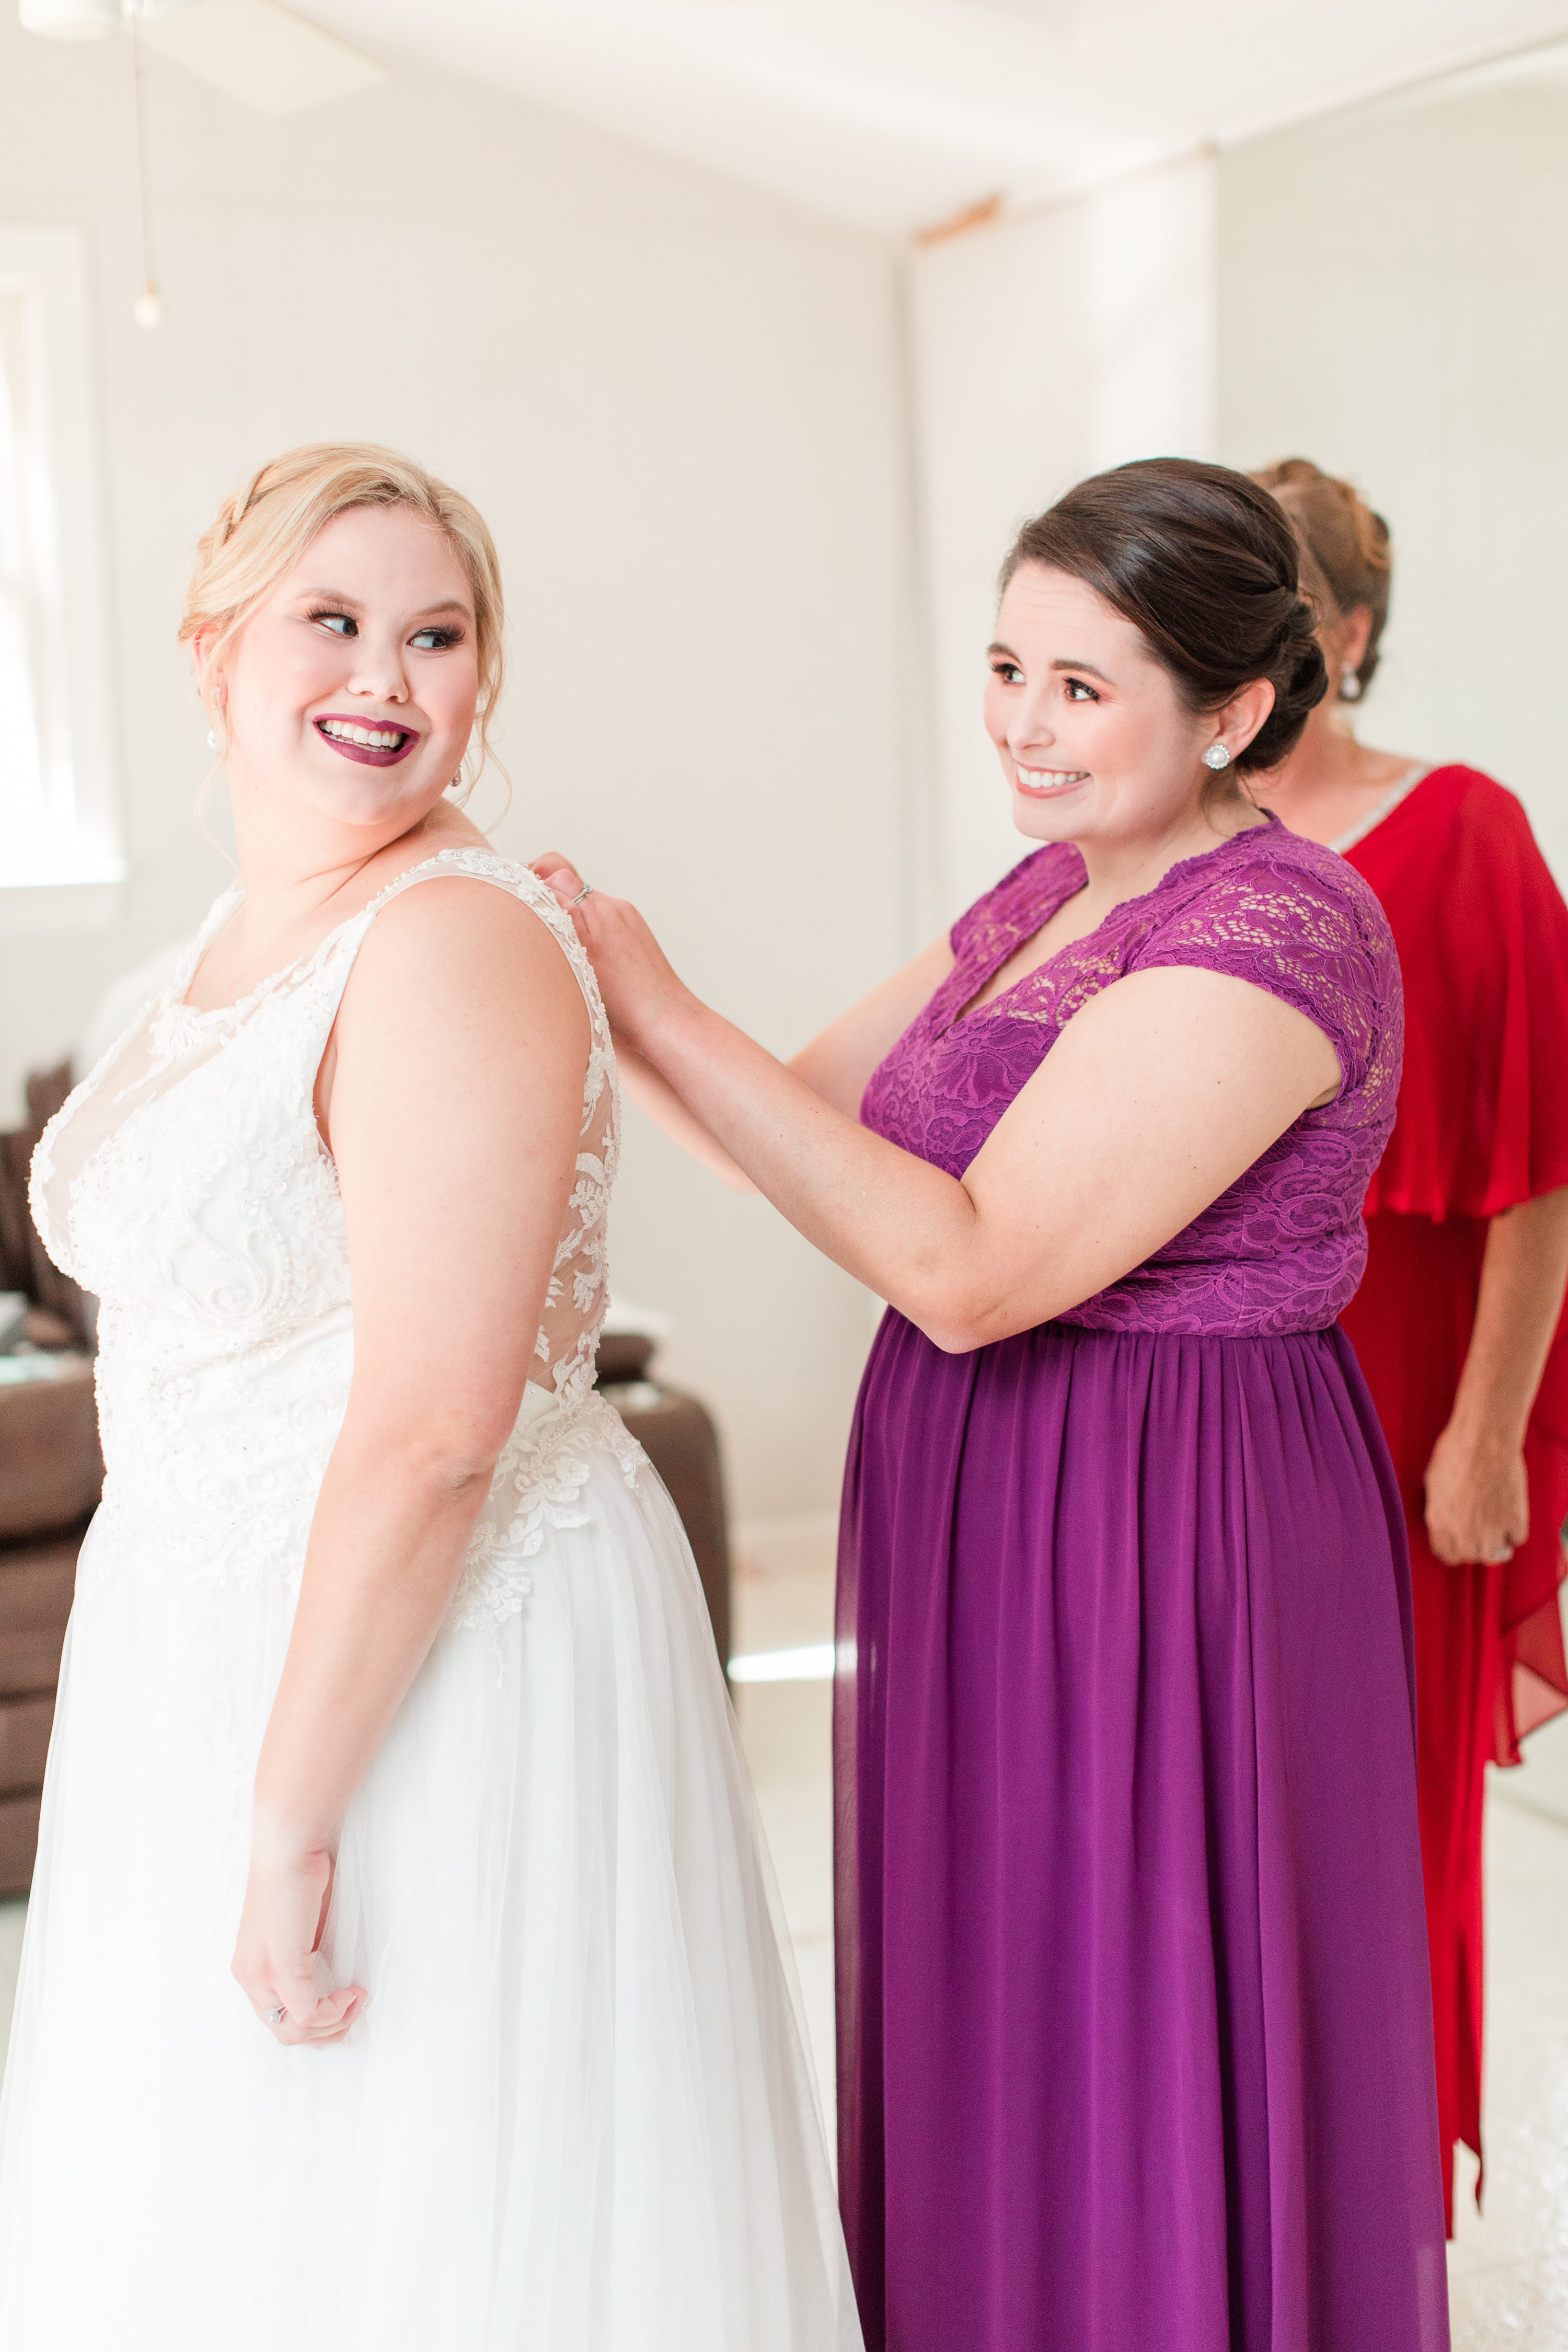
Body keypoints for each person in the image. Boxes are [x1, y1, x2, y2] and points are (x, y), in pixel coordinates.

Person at [537, 457, 1450, 2352]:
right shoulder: (1050, 888)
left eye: (1081, 685)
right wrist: (530, 963)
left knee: (1145, 2001)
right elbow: (789, 1130)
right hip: (982, 1499)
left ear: (1235, 713)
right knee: (1009, 1985)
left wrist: (663, 996)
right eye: (1008, 666)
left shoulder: (1281, 931)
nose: (1022, 724)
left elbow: (965, 1270)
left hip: (1170, 1521)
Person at [0, 444, 859, 2352]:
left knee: (432, 2207)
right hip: (211, 1622)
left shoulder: (451, 938)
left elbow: (435, 1428)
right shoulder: (225, 939)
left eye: (438, 636)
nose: (383, 677)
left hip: (430, 1656)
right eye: (332, 620)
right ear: (214, 646)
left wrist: (293, 1808)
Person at [1253, 455, 1568, 2230]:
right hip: (1216, 1400)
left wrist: (1487, 1432)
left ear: (1353, 631)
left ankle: (1378, 2218)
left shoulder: (1467, 831)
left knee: (1387, 1819)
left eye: (1287, 604)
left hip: (1402, 1399)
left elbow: (1548, 1165)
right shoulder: (1171, 841)